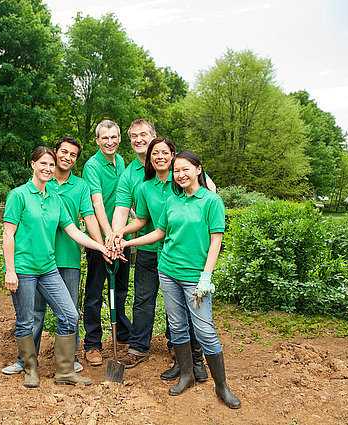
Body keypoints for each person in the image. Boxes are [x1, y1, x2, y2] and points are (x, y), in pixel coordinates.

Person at [111, 150, 241, 409]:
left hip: (195, 278)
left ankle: (222, 386)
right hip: (168, 271)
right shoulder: (172, 201)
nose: (181, 175)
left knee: (204, 330)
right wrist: (127, 242)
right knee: (177, 325)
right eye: (177, 170)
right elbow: (159, 232)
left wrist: (206, 276)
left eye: (186, 169)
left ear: (198, 170)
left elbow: (216, 241)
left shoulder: (211, 201)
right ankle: (186, 374)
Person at [3, 146, 108, 388]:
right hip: (24, 268)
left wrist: (100, 247)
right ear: (32, 164)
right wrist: (11, 270)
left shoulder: (55, 198)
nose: (48, 168)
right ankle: (30, 367)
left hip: (48, 268)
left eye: (51, 165)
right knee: (26, 320)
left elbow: (72, 231)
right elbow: (9, 234)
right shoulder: (18, 196)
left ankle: (64, 371)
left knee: (70, 315)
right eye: (43, 164)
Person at [110, 129, 209, 382]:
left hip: (178, 255)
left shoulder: (182, 184)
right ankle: (138, 348)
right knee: (143, 300)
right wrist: (120, 232)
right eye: (155, 154)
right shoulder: (144, 188)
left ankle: (180, 352)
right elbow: (142, 221)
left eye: (165, 153)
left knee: (179, 308)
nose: (160, 157)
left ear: (173, 156)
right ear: (150, 159)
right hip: (147, 251)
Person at [81, 120, 131, 366]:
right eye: (105, 138)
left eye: (113, 137)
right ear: (98, 140)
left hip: (123, 240)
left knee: (120, 289)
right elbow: (97, 203)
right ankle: (92, 344)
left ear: (119, 138)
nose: (109, 141)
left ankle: (122, 333)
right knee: (94, 293)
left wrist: (120, 236)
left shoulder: (121, 162)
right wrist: (106, 241)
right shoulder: (92, 166)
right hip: (101, 240)